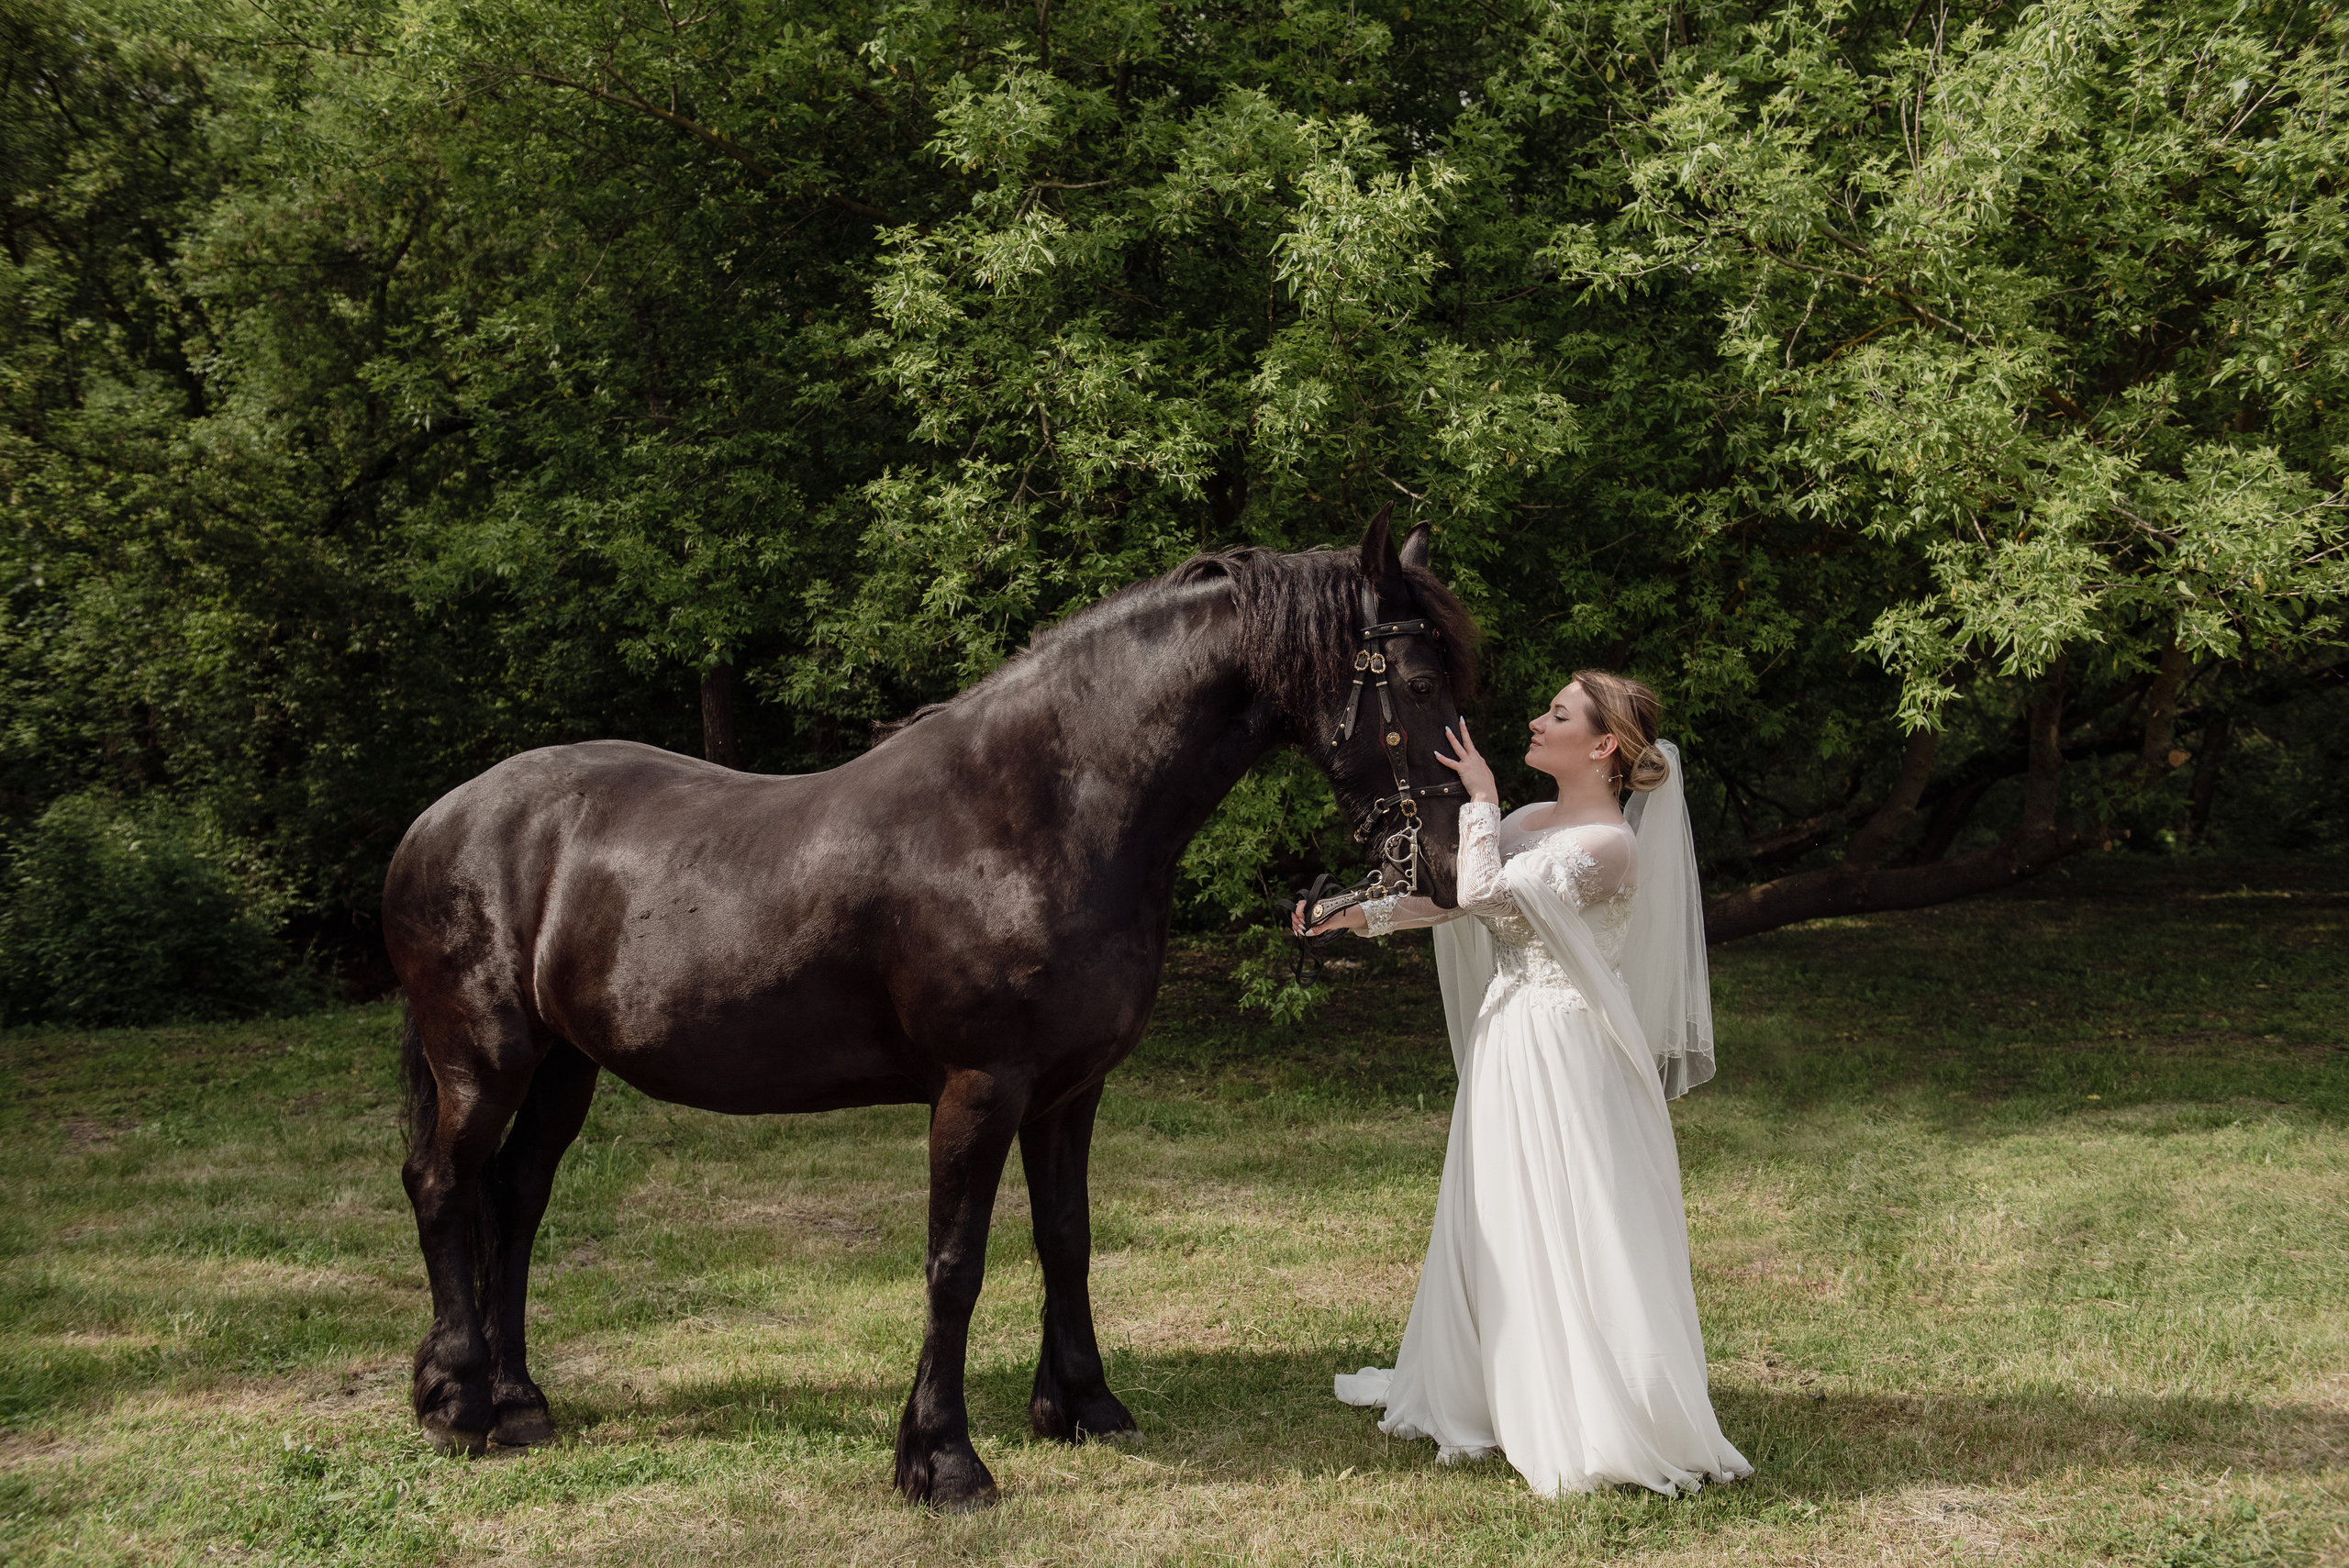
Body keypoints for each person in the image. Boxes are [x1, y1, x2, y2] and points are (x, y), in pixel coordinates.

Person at [1297, 671, 1751, 1497]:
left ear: (1605, 744)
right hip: (1508, 1038)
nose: (1538, 721)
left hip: (1571, 1052)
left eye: (1559, 714)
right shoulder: (1528, 821)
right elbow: (1452, 904)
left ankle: (1595, 1403)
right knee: (1500, 1210)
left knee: (1576, 1216)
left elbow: (1484, 887)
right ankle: (1492, 1383)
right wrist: (1357, 916)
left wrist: (1478, 796)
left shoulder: (1610, 845)